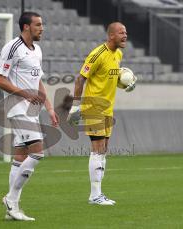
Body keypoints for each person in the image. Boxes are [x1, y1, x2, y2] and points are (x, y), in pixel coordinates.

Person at [0, 12, 58, 221]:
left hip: (32, 109)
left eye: (42, 24)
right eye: (38, 24)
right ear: (26, 27)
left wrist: (49, 107)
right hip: (17, 107)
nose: (42, 28)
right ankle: (11, 200)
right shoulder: (12, 47)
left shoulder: (37, 50)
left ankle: (11, 209)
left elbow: (38, 82)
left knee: (20, 158)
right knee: (38, 153)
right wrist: (24, 94)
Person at [67, 22, 136, 205]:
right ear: (111, 35)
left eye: (126, 32)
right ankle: (95, 195)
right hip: (94, 106)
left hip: (108, 108)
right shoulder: (97, 54)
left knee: (103, 150)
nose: (125, 35)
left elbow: (110, 79)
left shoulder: (118, 54)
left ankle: (97, 194)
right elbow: (80, 78)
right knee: (97, 151)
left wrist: (125, 85)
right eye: (121, 32)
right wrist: (75, 107)